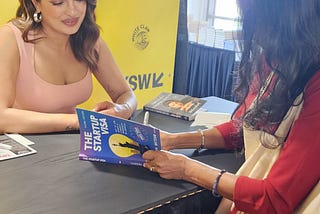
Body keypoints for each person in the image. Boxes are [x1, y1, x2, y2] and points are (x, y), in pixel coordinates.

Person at [142, 0, 320, 213]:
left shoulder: (313, 82)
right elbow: (244, 127)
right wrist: (173, 140)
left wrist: (186, 168)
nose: (254, 31)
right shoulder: (276, 56)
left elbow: (274, 199)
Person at [0, 0, 137, 134]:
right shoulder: (10, 38)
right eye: (58, 3)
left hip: (72, 145)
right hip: (26, 147)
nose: (72, 11)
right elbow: (1, 117)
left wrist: (122, 109)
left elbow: (125, 94)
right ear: (36, 3)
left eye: (79, 0)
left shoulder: (89, 39)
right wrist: (78, 121)